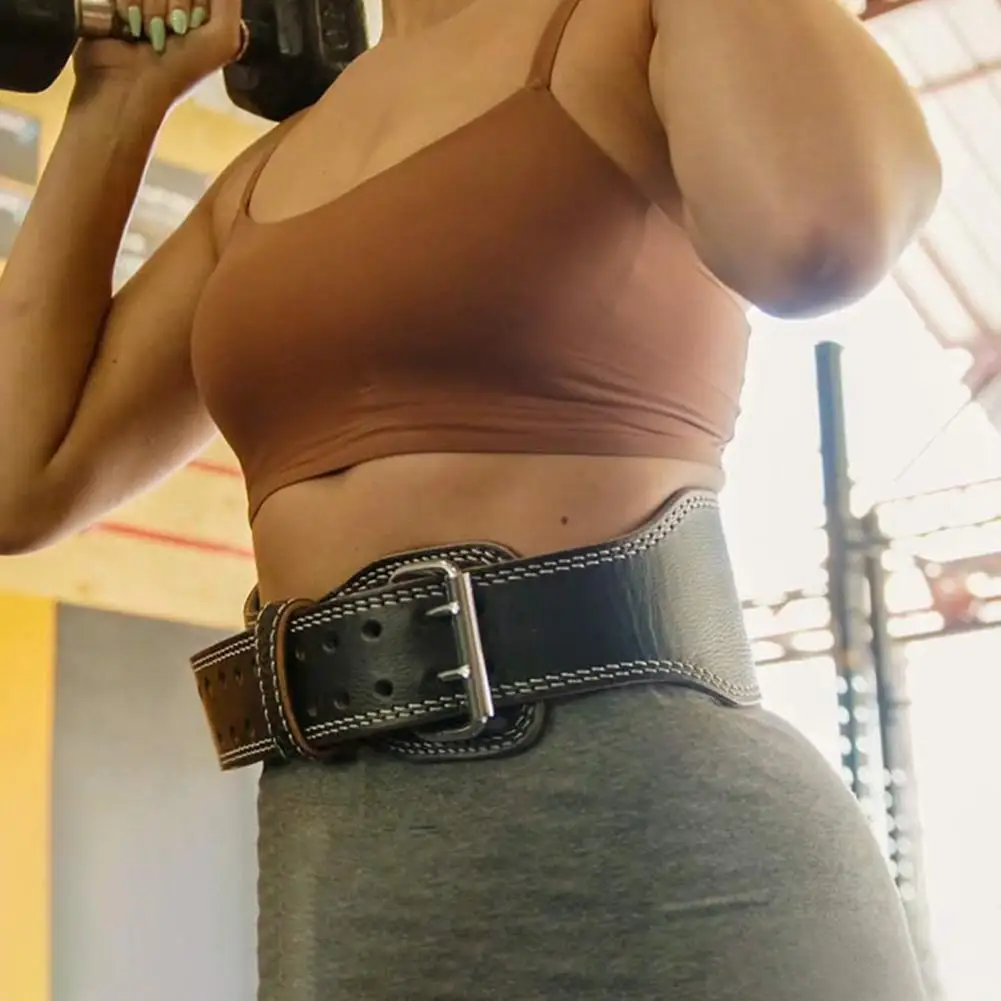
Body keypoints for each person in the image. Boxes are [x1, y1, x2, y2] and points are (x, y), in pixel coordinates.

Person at [0, 0, 941, 998]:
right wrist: (117, 103)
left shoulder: (625, 25)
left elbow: (817, 236)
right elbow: (23, 478)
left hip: (662, 837)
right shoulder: (262, 178)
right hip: (347, 864)